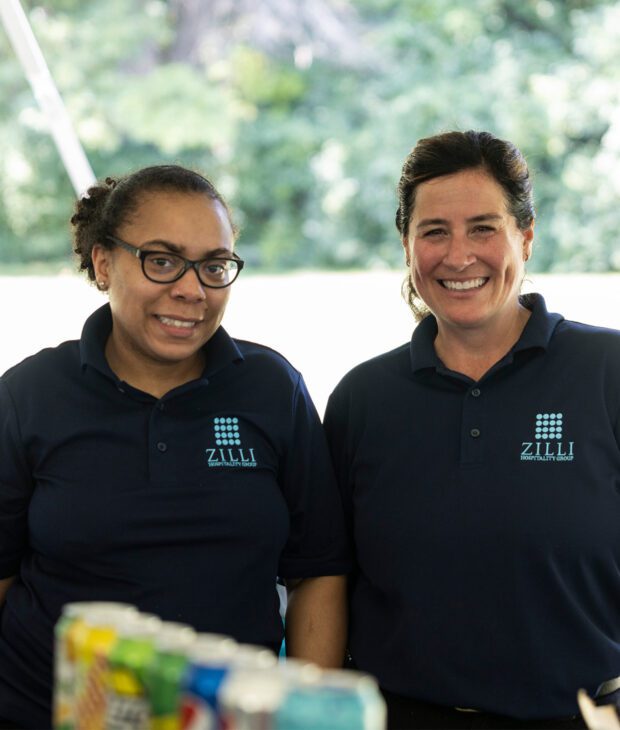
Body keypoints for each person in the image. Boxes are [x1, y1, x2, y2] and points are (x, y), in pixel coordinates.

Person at [0, 164, 349, 729]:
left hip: (227, 718)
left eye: (214, 266)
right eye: (161, 260)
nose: (192, 290)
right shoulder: (28, 395)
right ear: (104, 262)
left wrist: (304, 721)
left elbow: (319, 571)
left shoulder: (270, 388)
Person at [324, 131, 620, 729]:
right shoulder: (363, 399)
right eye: (434, 232)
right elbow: (325, 578)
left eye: (483, 228)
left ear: (525, 238)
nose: (459, 256)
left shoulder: (607, 372)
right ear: (407, 246)